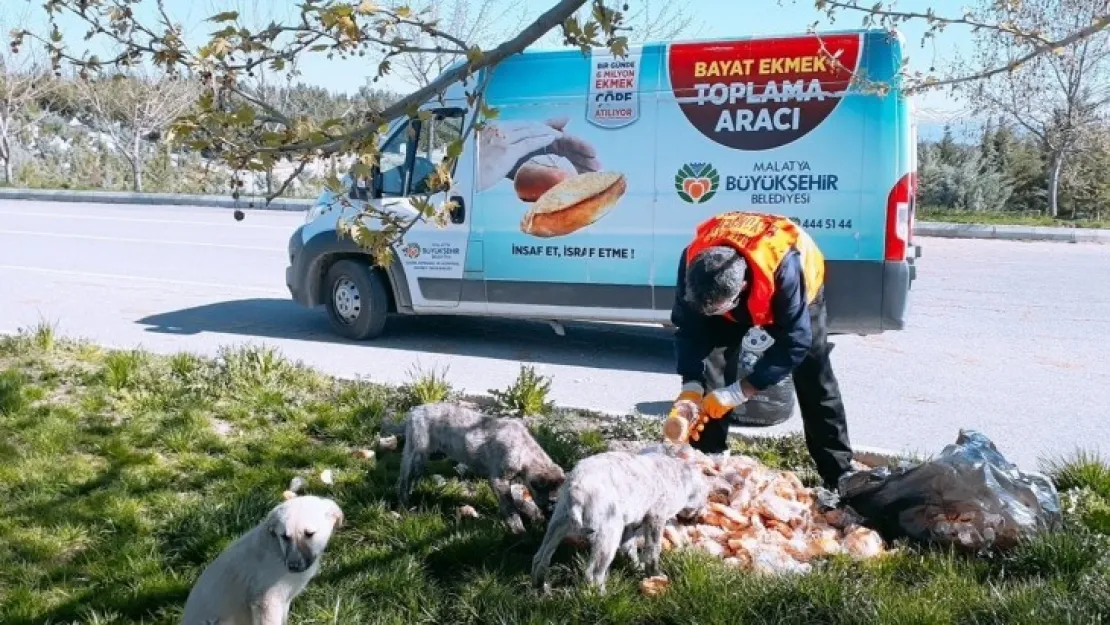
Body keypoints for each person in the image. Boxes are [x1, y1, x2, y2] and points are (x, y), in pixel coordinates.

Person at [666, 210, 853, 490]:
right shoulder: (694, 263)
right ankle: (707, 462)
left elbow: (795, 342)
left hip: (795, 286)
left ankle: (839, 473)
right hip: (727, 287)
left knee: (815, 376)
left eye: (715, 309)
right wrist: (692, 382)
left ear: (740, 289)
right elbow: (690, 328)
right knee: (710, 370)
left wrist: (741, 390)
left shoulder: (785, 269)